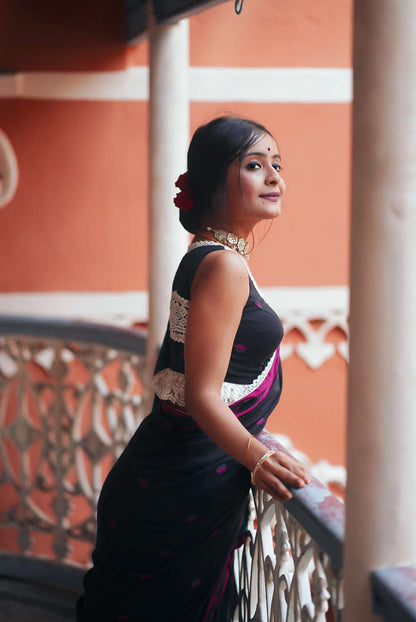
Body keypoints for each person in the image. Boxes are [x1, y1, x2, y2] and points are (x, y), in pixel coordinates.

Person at [76, 116, 310, 622]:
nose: (275, 177)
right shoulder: (222, 264)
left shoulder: (210, 256)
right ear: (212, 182)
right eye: (254, 165)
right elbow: (202, 393)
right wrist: (259, 457)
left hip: (173, 480)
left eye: (276, 164)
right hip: (179, 492)